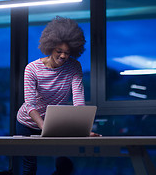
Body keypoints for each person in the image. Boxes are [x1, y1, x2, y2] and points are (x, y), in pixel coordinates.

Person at [16, 16, 99, 175]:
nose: (62, 56)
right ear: (49, 47)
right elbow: (29, 105)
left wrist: (83, 130)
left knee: (64, 165)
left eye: (67, 53)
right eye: (59, 51)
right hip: (27, 123)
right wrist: (44, 128)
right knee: (30, 167)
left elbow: (78, 100)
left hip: (55, 125)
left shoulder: (74, 66)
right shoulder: (32, 69)